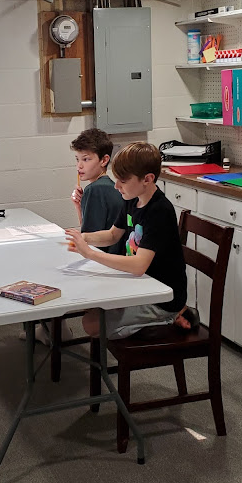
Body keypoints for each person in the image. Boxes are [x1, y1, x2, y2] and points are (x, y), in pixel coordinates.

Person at [65, 141, 197, 340]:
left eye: (123, 181)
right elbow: (112, 235)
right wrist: (83, 238)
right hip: (140, 285)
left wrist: (89, 253)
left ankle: (170, 317)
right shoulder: (132, 199)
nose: (116, 186)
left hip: (161, 297)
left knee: (91, 324)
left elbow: (138, 265)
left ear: (147, 179)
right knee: (90, 304)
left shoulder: (159, 210)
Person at [21, 128, 124, 345]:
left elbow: (89, 240)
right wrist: (79, 206)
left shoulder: (95, 190)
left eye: (86, 159)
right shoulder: (106, 187)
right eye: (77, 159)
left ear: (104, 160)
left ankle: (53, 329)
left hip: (105, 264)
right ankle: (51, 328)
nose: (79, 166)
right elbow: (91, 233)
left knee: (45, 267)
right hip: (110, 257)